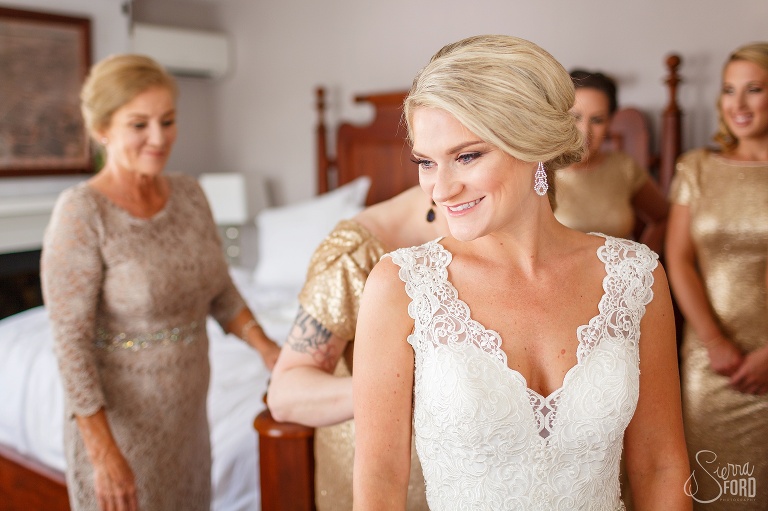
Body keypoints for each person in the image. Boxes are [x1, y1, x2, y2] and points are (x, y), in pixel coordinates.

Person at [352, 35, 691, 510]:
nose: (441, 189)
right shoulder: (401, 286)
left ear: (533, 145)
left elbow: (660, 464)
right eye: (427, 162)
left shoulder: (636, 278)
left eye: (467, 156)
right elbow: (381, 481)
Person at [40, 54, 281, 511]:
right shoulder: (82, 212)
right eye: (139, 124)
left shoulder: (189, 194)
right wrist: (103, 453)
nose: (159, 138)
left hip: (188, 419)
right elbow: (69, 343)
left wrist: (267, 348)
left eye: (167, 120)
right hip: (120, 430)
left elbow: (221, 292)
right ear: (102, 130)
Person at [267, 185, 446, 511]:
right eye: (427, 162)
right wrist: (400, 389)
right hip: (385, 483)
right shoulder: (358, 254)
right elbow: (285, 394)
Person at [665, 42, 768, 509]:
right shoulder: (697, 168)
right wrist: (714, 341)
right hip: (712, 363)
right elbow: (679, 259)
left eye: (754, 89)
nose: (738, 104)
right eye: (729, 90)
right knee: (716, 491)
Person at [554, 69, 669, 253]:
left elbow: (663, 217)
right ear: (559, 116)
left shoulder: (624, 168)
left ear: (610, 122)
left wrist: (645, 262)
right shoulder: (538, 171)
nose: (585, 131)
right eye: (575, 117)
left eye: (597, 120)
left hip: (619, 281)